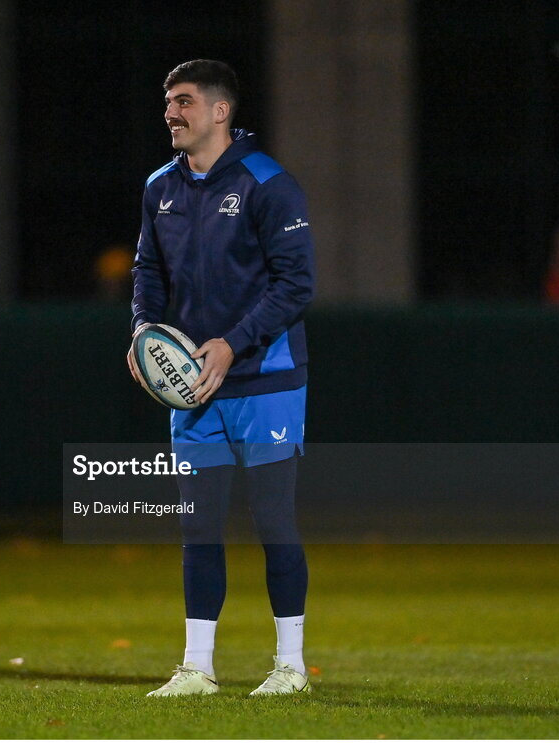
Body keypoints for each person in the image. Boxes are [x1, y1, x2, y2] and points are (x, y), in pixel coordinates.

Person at [127, 60, 315, 697]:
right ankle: (197, 668)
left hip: (267, 379)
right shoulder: (160, 187)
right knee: (198, 525)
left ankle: (290, 666)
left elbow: (297, 285)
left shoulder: (269, 183)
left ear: (219, 111)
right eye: (167, 102)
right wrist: (144, 333)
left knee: (273, 521)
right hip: (193, 387)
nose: (170, 113)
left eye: (182, 101)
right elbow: (147, 272)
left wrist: (233, 345)